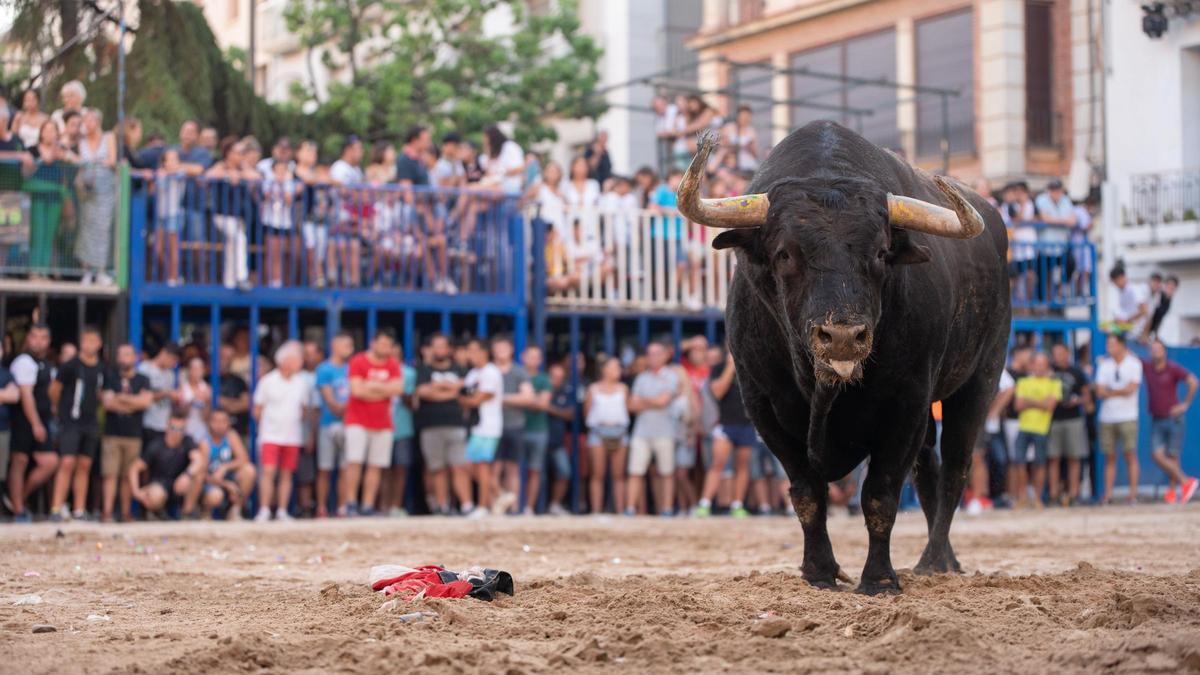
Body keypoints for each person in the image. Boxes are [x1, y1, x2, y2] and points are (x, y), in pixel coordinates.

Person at [341, 330, 404, 516]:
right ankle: (351, 503)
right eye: (381, 344)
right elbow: (357, 391)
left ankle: (367, 505)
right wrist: (384, 390)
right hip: (357, 421)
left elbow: (398, 389)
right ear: (372, 343)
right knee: (354, 462)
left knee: (375, 466)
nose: (384, 348)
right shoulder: (358, 361)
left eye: (388, 345)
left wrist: (373, 386)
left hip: (383, 423)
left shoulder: (393, 363)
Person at [47, 326, 105, 521]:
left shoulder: (101, 368)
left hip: (90, 422)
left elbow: (101, 394)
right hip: (71, 421)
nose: (88, 345)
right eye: (85, 340)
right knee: (67, 462)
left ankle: (79, 510)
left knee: (84, 465)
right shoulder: (70, 366)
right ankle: (56, 508)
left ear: (99, 344)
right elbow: (54, 390)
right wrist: (60, 411)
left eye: (92, 341)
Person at [252, 341, 313, 522]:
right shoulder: (268, 381)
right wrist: (270, 425)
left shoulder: (301, 383)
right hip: (270, 435)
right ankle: (264, 509)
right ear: (285, 360)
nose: (300, 362)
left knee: (287, 474)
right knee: (268, 472)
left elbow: (304, 410)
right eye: (297, 359)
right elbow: (257, 410)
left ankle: (282, 510)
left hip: (292, 437)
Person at [6, 324, 58, 522]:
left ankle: (18, 499)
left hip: (43, 419)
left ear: (48, 341)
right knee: (20, 461)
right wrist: (35, 423)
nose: (38, 341)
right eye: (34, 336)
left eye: (43, 337)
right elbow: (26, 395)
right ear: (28, 338)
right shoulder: (24, 361)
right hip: (24, 419)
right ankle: (18, 509)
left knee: (50, 461)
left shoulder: (46, 363)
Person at [695, 349, 756, 518]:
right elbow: (717, 392)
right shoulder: (718, 368)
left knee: (742, 466)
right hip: (725, 424)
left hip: (746, 424)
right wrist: (730, 367)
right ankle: (704, 504)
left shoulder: (751, 367)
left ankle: (737, 505)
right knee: (718, 464)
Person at [415, 333, 471, 515]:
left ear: (449, 349)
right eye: (436, 346)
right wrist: (451, 390)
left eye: (443, 346)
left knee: (459, 466)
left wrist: (437, 389)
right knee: (437, 468)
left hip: (455, 425)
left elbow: (465, 391)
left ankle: (466, 506)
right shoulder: (423, 370)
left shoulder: (460, 369)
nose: (439, 350)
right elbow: (423, 392)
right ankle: (442, 506)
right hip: (431, 426)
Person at [99, 344, 153, 522]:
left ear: (135, 357)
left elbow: (145, 403)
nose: (124, 358)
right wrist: (133, 402)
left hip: (133, 434)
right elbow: (107, 403)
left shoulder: (143, 379)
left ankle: (125, 512)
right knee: (110, 474)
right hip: (112, 433)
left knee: (127, 476)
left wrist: (120, 398)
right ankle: (107, 512)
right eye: (121, 354)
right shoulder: (110, 376)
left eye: (128, 354)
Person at [1141, 339, 1198, 504]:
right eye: (1153, 349)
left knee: (1173, 455)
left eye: (1158, 349)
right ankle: (1186, 482)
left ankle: (1173, 491)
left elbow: (1193, 381)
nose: (1155, 352)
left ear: (1164, 351)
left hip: (1174, 418)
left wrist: (1185, 404)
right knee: (1157, 455)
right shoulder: (1148, 367)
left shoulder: (1172, 368)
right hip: (1157, 417)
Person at [626, 342, 679, 516]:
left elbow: (663, 401)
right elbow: (632, 405)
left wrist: (644, 400)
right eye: (650, 354)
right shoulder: (642, 377)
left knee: (667, 472)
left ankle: (667, 509)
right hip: (642, 432)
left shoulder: (671, 376)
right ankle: (630, 509)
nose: (653, 357)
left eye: (656, 353)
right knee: (635, 471)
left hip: (665, 432)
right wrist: (654, 401)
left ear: (665, 355)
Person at [128, 410, 207, 519]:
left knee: (198, 474)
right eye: (174, 428)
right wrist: (136, 492)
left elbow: (199, 460)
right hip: (159, 486)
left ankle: (186, 515)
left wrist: (187, 475)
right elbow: (134, 468)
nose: (177, 432)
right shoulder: (156, 444)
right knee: (156, 494)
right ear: (167, 427)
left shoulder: (187, 441)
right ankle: (155, 513)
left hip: (179, 486)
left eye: (181, 429)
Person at [1095, 333, 1143, 505]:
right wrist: (1119, 391)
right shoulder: (1105, 365)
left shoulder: (1134, 363)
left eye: (1112, 344)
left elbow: (1131, 388)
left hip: (1128, 415)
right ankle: (1108, 495)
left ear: (1122, 345)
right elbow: (1100, 392)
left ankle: (1132, 495)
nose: (1109, 347)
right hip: (1107, 417)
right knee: (1110, 456)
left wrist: (1110, 392)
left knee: (1130, 454)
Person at [459, 338, 504, 517]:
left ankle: (483, 506)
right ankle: (499, 494)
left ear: (484, 352)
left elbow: (476, 399)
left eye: (473, 350)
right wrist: (466, 399)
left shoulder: (491, 373)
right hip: (476, 426)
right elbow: (462, 397)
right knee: (470, 465)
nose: (470, 355)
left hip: (488, 426)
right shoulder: (473, 374)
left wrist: (467, 399)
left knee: (481, 466)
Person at [489, 336, 533, 514]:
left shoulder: (519, 371)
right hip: (492, 427)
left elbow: (528, 397)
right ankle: (495, 505)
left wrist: (500, 398)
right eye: (497, 347)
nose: (501, 351)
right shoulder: (489, 370)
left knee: (512, 469)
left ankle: (513, 507)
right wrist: (512, 399)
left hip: (514, 425)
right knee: (494, 468)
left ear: (511, 350)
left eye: (504, 347)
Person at [1011, 353, 1061, 508]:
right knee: (1020, 463)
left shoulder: (1054, 383)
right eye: (1037, 364)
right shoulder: (1023, 381)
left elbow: (1050, 406)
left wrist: (1029, 401)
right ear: (1032, 366)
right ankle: (1022, 497)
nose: (1039, 367)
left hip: (1041, 429)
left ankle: (1037, 498)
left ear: (1047, 366)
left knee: (1039, 464)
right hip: (1024, 427)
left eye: (1042, 364)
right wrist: (1041, 402)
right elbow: (1018, 406)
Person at [207, 137, 255, 289]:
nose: (240, 155)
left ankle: (229, 283)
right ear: (228, 153)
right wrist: (227, 174)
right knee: (239, 239)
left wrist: (240, 172)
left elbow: (257, 177)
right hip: (222, 215)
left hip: (237, 217)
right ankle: (241, 277)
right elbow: (207, 177)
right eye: (237, 152)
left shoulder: (242, 168)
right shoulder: (221, 166)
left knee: (232, 245)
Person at [75, 108, 117, 285]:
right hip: (87, 192)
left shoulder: (109, 137)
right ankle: (86, 271)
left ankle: (100, 270)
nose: (87, 124)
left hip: (105, 190)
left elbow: (112, 161)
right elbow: (79, 164)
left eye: (90, 120)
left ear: (98, 122)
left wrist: (95, 163)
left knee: (103, 228)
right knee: (86, 229)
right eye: (85, 121)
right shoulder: (81, 142)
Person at [314, 332, 353, 518]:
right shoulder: (324, 369)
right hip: (328, 424)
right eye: (346, 344)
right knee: (325, 468)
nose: (349, 348)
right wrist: (348, 407)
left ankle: (342, 507)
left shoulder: (351, 368)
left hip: (348, 425)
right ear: (334, 345)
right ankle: (321, 507)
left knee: (346, 468)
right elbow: (331, 401)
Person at [584, 356, 629, 515]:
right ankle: (596, 510)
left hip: (620, 431)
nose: (618, 370)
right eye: (614, 367)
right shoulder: (593, 389)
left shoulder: (623, 388)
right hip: (598, 432)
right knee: (597, 474)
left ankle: (620, 510)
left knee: (619, 475)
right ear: (604, 369)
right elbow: (587, 413)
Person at [1048, 343, 1091, 506]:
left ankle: (1073, 495)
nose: (1058, 357)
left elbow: (1086, 397)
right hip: (1054, 420)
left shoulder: (1077, 372)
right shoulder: (1049, 372)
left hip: (1073, 419)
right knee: (1053, 458)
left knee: (1074, 458)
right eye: (1055, 353)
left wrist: (1076, 401)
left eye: (1061, 353)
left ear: (1067, 354)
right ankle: (1053, 495)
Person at [515, 346, 553, 515]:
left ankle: (529, 508)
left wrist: (522, 399)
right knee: (513, 469)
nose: (533, 360)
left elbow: (544, 404)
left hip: (538, 429)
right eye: (530, 356)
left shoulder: (544, 379)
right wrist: (533, 399)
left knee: (535, 470)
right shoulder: (517, 375)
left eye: (537, 357)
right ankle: (514, 506)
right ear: (523, 357)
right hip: (517, 428)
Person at [201, 409, 257, 520]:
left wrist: (224, 467)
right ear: (210, 423)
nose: (219, 425)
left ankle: (235, 511)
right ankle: (205, 514)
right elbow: (203, 475)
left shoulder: (231, 435)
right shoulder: (204, 441)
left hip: (227, 478)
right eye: (216, 421)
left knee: (249, 470)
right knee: (215, 496)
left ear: (228, 423)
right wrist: (226, 484)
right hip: (211, 483)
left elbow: (243, 459)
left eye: (223, 421)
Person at [383, 344, 417, 517]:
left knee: (400, 468)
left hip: (402, 428)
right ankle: (383, 506)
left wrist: (400, 390)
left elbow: (412, 402)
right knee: (383, 469)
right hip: (381, 426)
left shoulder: (409, 373)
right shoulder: (380, 371)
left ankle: (396, 506)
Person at [260, 158, 301, 288]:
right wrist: (274, 182)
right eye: (279, 169)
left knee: (285, 253)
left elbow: (289, 200)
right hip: (270, 221)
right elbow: (266, 195)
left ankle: (282, 282)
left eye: (284, 169)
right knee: (272, 253)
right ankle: (272, 283)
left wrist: (284, 183)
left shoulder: (289, 183)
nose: (281, 172)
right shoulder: (268, 181)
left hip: (285, 223)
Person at [543, 361, 575, 515]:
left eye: (560, 377)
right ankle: (531, 507)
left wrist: (547, 407)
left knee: (564, 472)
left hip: (557, 441)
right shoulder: (541, 389)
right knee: (536, 474)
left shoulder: (566, 392)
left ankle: (554, 505)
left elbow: (570, 414)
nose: (557, 379)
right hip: (541, 437)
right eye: (554, 376)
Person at [139, 342, 180, 448]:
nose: (173, 363)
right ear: (163, 353)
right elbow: (142, 397)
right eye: (172, 359)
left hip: (164, 425)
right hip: (147, 423)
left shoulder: (170, 374)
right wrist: (166, 393)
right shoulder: (144, 369)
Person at [480, 125, 525, 195]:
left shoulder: (510, 146)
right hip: (494, 186)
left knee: (472, 190)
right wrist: (488, 153)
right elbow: (488, 174)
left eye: (485, 137)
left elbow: (519, 168)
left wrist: (501, 174)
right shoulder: (491, 153)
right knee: (475, 202)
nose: (484, 140)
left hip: (509, 186)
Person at [1108, 267, 1148, 336]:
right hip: (1125, 328)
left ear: (1121, 277)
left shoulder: (1134, 289)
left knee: (1108, 332)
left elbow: (1144, 310)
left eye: (1115, 282)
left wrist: (1127, 321)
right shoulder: (1121, 291)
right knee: (1104, 328)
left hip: (1135, 331)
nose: (1115, 285)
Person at [723, 105, 760, 173]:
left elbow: (755, 153)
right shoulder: (728, 127)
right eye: (743, 116)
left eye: (747, 116)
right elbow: (723, 145)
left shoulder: (751, 131)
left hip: (748, 164)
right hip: (730, 162)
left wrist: (750, 147)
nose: (745, 119)